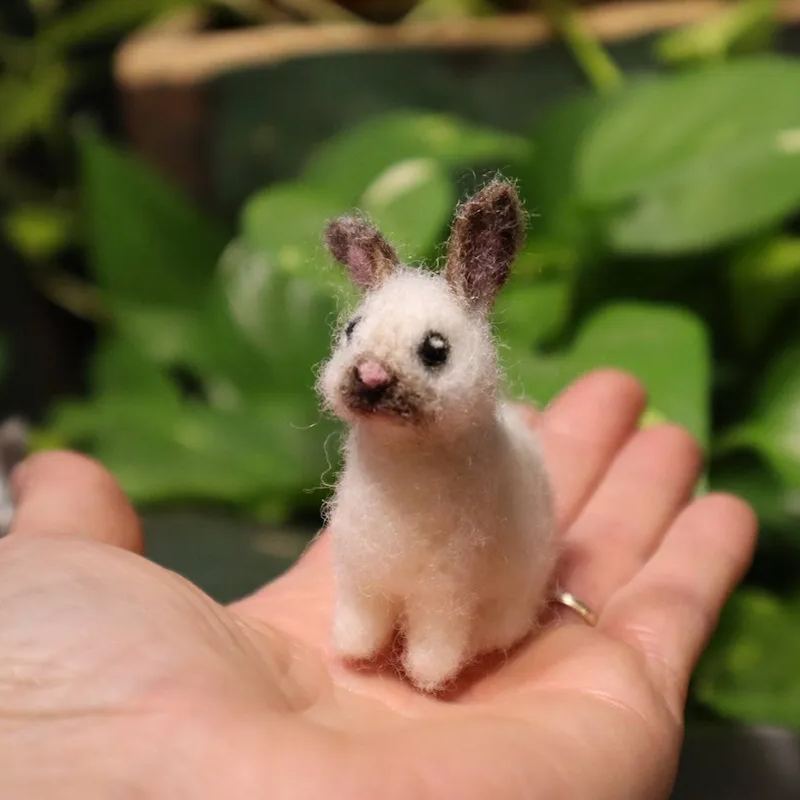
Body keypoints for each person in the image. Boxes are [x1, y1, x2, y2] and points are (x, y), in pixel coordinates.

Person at [0, 370, 756, 799]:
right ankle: (370, 619)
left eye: (427, 354)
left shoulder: (491, 463)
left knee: (453, 572)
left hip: (489, 576)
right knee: (371, 561)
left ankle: (445, 636)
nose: (373, 373)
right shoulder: (369, 459)